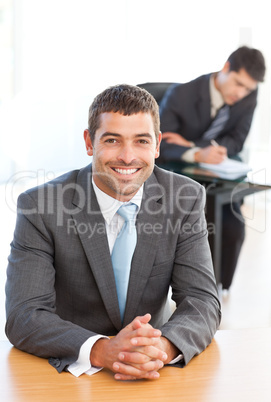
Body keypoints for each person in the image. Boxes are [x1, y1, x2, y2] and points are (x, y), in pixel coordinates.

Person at [5, 84, 221, 381]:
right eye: (112, 140)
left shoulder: (185, 197)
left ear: (157, 145)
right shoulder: (40, 206)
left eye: (141, 141)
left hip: (151, 371)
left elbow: (202, 300)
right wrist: (103, 350)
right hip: (68, 373)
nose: (128, 156)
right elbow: (24, 314)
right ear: (89, 142)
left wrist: (161, 347)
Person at [157, 46, 266, 290]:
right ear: (225, 68)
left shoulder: (249, 95)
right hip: (178, 177)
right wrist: (197, 153)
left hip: (218, 175)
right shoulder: (181, 94)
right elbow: (159, 143)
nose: (241, 93)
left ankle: (217, 288)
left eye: (248, 88)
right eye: (238, 83)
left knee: (232, 226)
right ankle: (193, 290)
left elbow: (237, 139)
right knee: (200, 227)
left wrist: (196, 146)